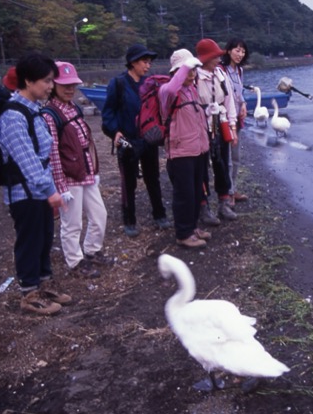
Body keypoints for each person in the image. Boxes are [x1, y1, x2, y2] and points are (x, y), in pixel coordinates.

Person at [0, 53, 70, 316]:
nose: (51, 86)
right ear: (28, 81)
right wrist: (51, 191)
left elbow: (44, 155)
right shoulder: (13, 117)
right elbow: (28, 161)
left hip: (39, 191)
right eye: (46, 81)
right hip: (24, 193)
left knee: (43, 239)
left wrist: (51, 189)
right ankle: (29, 293)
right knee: (29, 241)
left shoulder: (33, 111)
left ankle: (44, 284)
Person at [43, 61, 108, 279]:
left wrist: (94, 170)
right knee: (72, 224)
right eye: (64, 85)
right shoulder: (49, 115)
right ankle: (75, 261)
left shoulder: (74, 108)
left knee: (100, 215)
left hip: (86, 173)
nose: (70, 89)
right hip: (69, 178)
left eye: (72, 85)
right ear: (53, 85)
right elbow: (52, 154)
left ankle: (92, 250)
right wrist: (60, 187)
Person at [101, 43, 170, 237]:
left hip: (148, 138)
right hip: (127, 139)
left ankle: (160, 215)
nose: (147, 66)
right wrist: (114, 132)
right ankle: (129, 220)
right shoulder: (118, 83)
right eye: (143, 62)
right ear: (132, 63)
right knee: (128, 181)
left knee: (153, 178)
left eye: (149, 62)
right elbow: (108, 113)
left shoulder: (150, 83)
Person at [158, 49, 211, 248]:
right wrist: (188, 65)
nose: (191, 74)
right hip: (180, 153)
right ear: (176, 72)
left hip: (198, 150)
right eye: (186, 71)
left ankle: (193, 227)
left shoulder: (192, 90)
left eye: (193, 70)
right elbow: (172, 89)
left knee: (197, 192)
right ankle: (183, 234)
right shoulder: (166, 92)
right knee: (184, 194)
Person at [194, 38, 239, 224]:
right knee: (201, 166)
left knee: (221, 163)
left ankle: (223, 202)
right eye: (214, 57)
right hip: (200, 126)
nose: (218, 60)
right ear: (205, 58)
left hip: (219, 123)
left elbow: (229, 102)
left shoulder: (221, 74)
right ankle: (203, 206)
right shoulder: (193, 76)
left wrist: (233, 126)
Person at [219, 38, 250, 205]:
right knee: (228, 157)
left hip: (237, 118)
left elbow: (240, 91)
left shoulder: (239, 71)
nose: (240, 54)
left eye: (243, 51)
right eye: (237, 50)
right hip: (225, 119)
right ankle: (228, 193)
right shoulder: (221, 70)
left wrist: (243, 103)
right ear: (229, 50)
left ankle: (233, 187)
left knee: (236, 156)